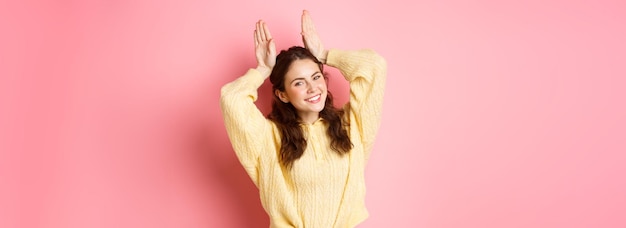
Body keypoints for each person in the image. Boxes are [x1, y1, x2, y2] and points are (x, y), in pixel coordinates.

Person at [220, 10, 387, 228]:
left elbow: (374, 67)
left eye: (316, 77)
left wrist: (325, 54)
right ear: (283, 94)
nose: (312, 88)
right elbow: (231, 98)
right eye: (299, 83)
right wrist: (262, 70)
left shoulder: (351, 125)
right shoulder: (269, 137)